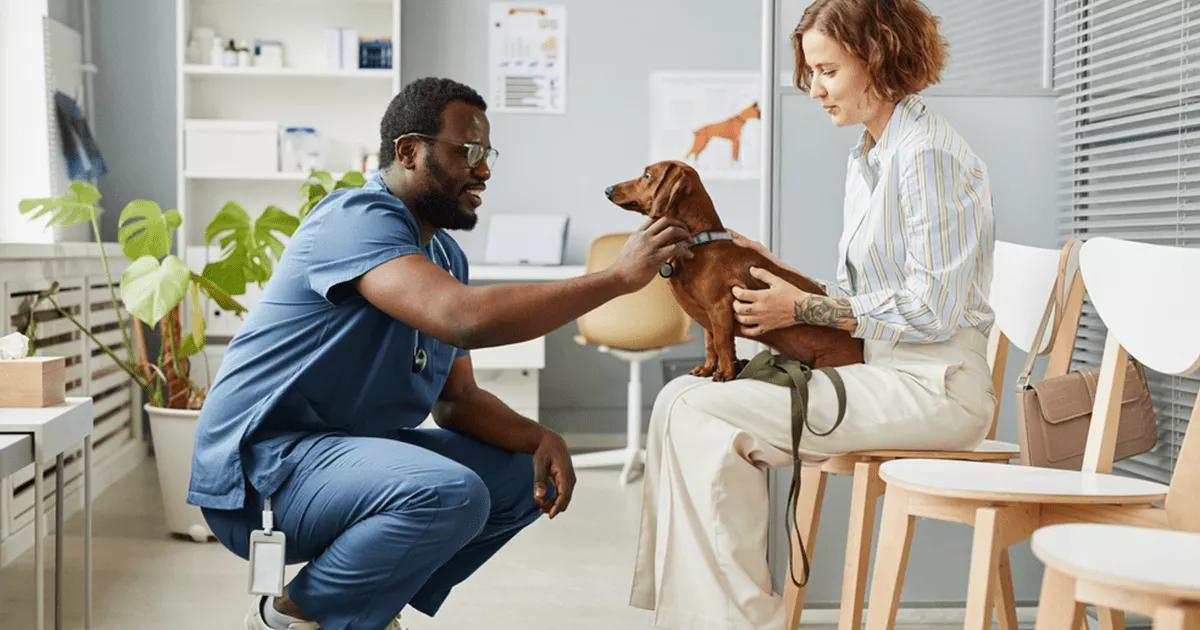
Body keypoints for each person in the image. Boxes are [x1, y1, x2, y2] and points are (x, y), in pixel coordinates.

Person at [189, 77, 692, 630]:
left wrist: (539, 438)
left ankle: (364, 610)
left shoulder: (444, 253)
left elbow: (459, 401)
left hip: (346, 458)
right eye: (468, 152)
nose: (484, 170)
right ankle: (288, 617)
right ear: (409, 151)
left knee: (521, 476)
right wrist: (617, 278)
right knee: (449, 493)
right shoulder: (355, 219)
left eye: (487, 153)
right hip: (265, 471)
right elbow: (463, 319)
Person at [630, 1, 997, 628]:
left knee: (698, 411)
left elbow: (933, 309)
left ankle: (739, 621)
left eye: (826, 71)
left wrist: (799, 306)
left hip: (933, 388)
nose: (815, 89)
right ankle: (706, 615)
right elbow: (880, 298)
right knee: (675, 402)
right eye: (811, 73)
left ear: (877, 56)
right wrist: (776, 271)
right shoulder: (872, 154)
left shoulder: (925, 157)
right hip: (883, 369)